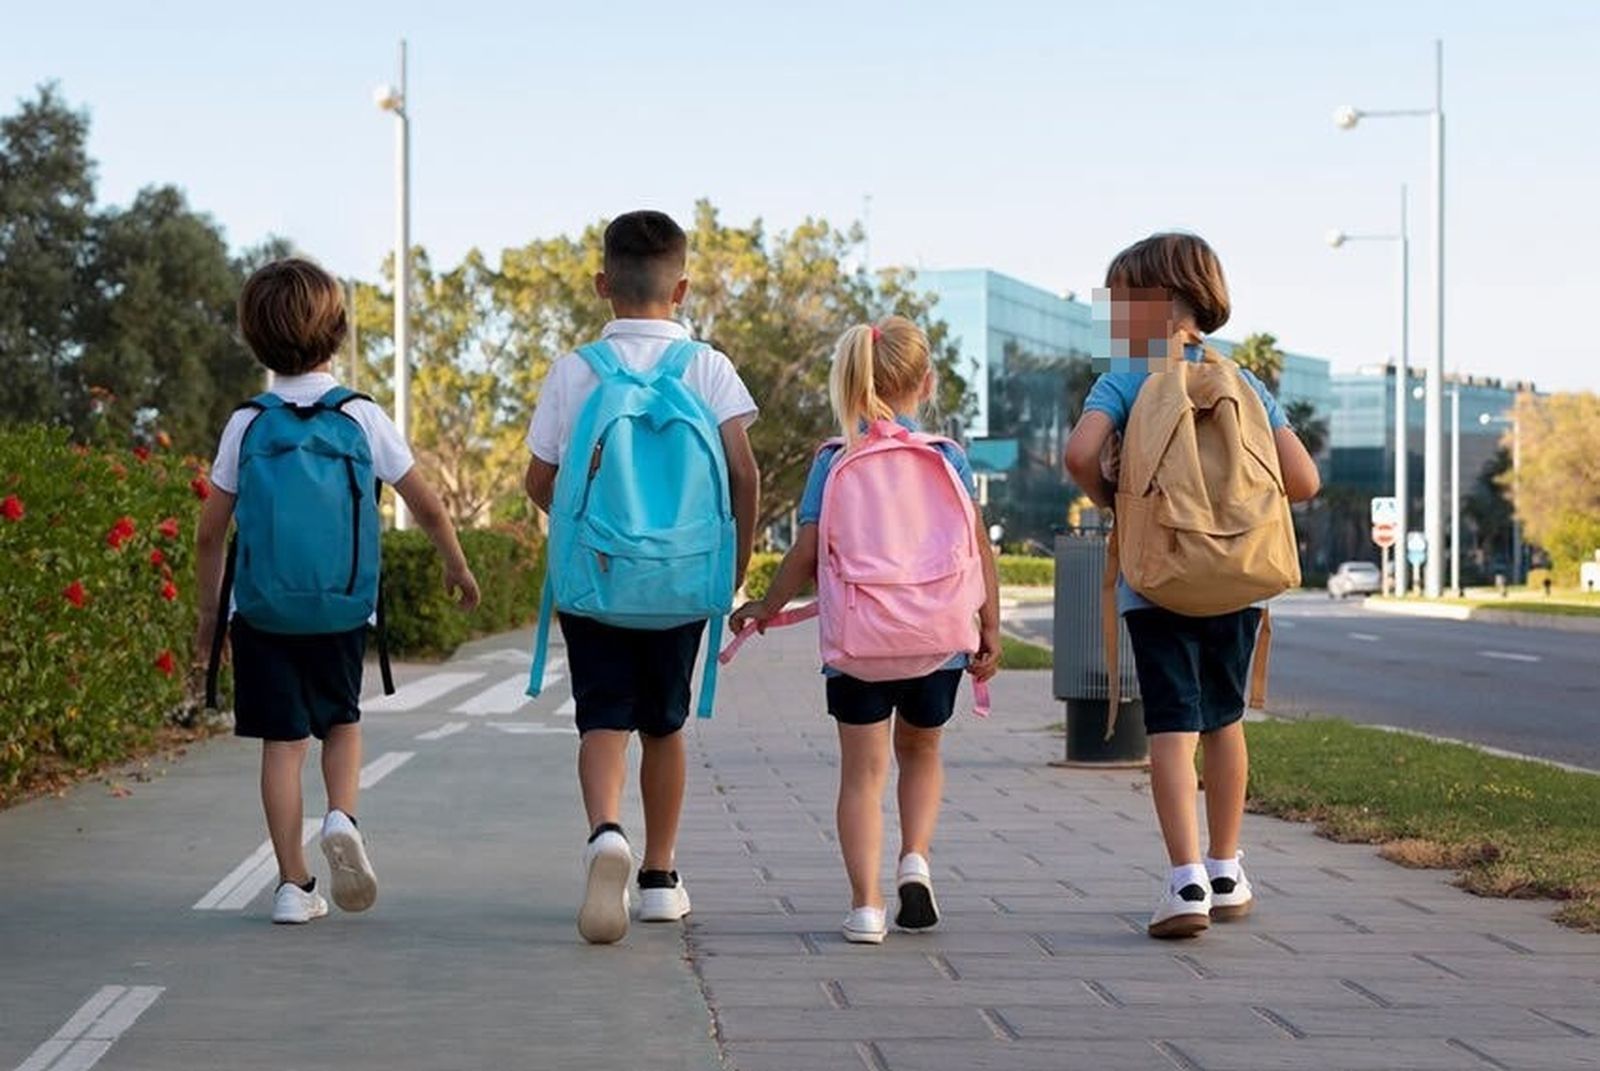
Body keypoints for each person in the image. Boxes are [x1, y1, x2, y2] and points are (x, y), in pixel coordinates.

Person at [196, 257, 480, 925]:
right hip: (342, 605)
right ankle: (342, 816)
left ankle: (294, 886)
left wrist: (210, 617)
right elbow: (429, 505)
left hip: (261, 611)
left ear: (253, 337)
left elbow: (211, 533)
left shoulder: (246, 422)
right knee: (341, 723)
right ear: (339, 332)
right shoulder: (360, 416)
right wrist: (456, 565)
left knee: (281, 745)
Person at [1064, 233, 1320, 938]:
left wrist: (1116, 498)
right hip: (1238, 578)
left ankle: (1184, 884)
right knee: (1225, 720)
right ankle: (1228, 869)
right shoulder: (1245, 381)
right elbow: (1303, 479)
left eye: (1121, 303)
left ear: (1153, 302)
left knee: (1172, 728)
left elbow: (1081, 452)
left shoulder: (1126, 377)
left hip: (1159, 579)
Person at [524, 210, 760, 944]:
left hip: (596, 577)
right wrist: (735, 560)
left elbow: (540, 479)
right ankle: (660, 876)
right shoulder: (708, 368)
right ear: (682, 287)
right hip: (683, 578)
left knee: (602, 716)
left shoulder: (576, 371)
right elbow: (743, 471)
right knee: (665, 723)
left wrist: (585, 525)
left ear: (603, 284)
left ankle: (605, 835)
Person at [730, 316, 1001, 945]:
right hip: (936, 640)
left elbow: (804, 552)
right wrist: (986, 624)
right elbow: (977, 547)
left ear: (851, 381)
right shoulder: (947, 457)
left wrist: (765, 607)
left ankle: (866, 907)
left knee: (862, 774)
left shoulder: (834, 459)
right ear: (926, 382)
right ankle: (915, 859)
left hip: (858, 645)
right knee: (923, 752)